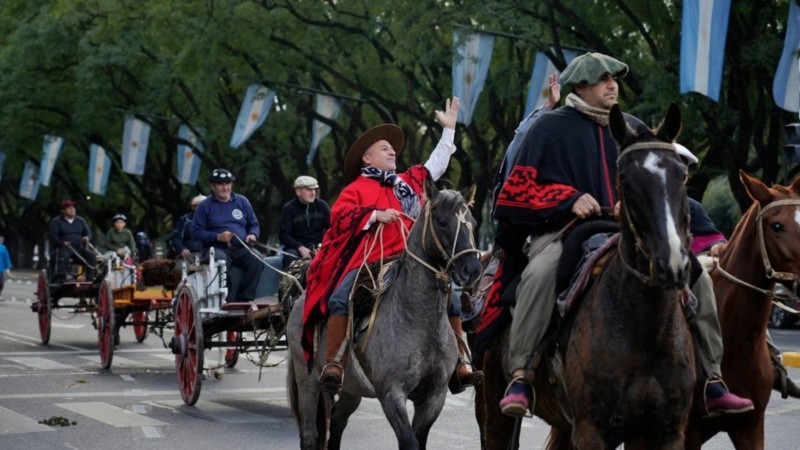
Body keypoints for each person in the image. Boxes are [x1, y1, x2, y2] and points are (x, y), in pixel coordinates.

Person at [492, 52, 752, 418]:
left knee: (697, 277)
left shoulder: (632, 127)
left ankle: (713, 379)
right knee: (540, 274)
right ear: (580, 86)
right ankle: (521, 375)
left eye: (614, 78)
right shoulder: (547, 128)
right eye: (603, 79)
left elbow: (658, 188)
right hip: (564, 233)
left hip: (625, 232)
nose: (612, 84)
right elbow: (513, 193)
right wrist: (567, 198)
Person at [301, 96, 483, 393]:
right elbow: (339, 217)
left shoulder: (407, 182)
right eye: (384, 149)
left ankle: (461, 361)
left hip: (411, 259)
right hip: (368, 260)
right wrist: (373, 214)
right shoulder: (355, 189)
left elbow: (434, 166)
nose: (392, 152)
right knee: (340, 297)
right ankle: (335, 362)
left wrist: (448, 130)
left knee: (451, 296)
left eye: (393, 149)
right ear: (367, 159)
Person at [675, 143, 800, 400]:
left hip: (695, 263)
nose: (680, 175)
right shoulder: (644, 203)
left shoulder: (693, 207)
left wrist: (718, 247)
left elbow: (712, 238)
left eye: (684, 170)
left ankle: (773, 363)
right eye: (675, 168)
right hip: (665, 268)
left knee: (742, 295)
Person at [192, 168, 262, 302]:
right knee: (220, 260)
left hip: (241, 247)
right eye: (221, 184)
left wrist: (252, 234)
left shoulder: (242, 201)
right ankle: (227, 299)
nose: (225, 187)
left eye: (228, 183)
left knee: (257, 258)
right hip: (216, 248)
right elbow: (196, 232)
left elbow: (253, 224)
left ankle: (244, 298)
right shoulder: (204, 206)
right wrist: (217, 237)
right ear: (213, 186)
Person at [279, 175, 331, 268]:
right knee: (289, 257)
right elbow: (283, 235)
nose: (313, 193)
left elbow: (331, 229)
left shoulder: (322, 205)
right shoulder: (288, 209)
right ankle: (291, 282)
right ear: (298, 191)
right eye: (309, 190)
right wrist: (300, 247)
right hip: (295, 248)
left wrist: (323, 245)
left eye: (314, 189)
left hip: (319, 246)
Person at [48, 199, 96, 282]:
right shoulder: (56, 222)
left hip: (78, 248)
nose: (72, 209)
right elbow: (53, 236)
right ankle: (62, 279)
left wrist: (87, 237)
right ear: (63, 210)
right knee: (63, 256)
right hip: (63, 248)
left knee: (91, 256)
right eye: (69, 208)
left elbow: (88, 232)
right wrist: (62, 243)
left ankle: (89, 279)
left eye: (73, 207)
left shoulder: (80, 220)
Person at [172, 194, 207, 259]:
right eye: (195, 206)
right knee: (179, 267)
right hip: (190, 255)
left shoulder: (214, 219)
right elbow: (176, 238)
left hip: (209, 254)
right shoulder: (185, 219)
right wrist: (182, 249)